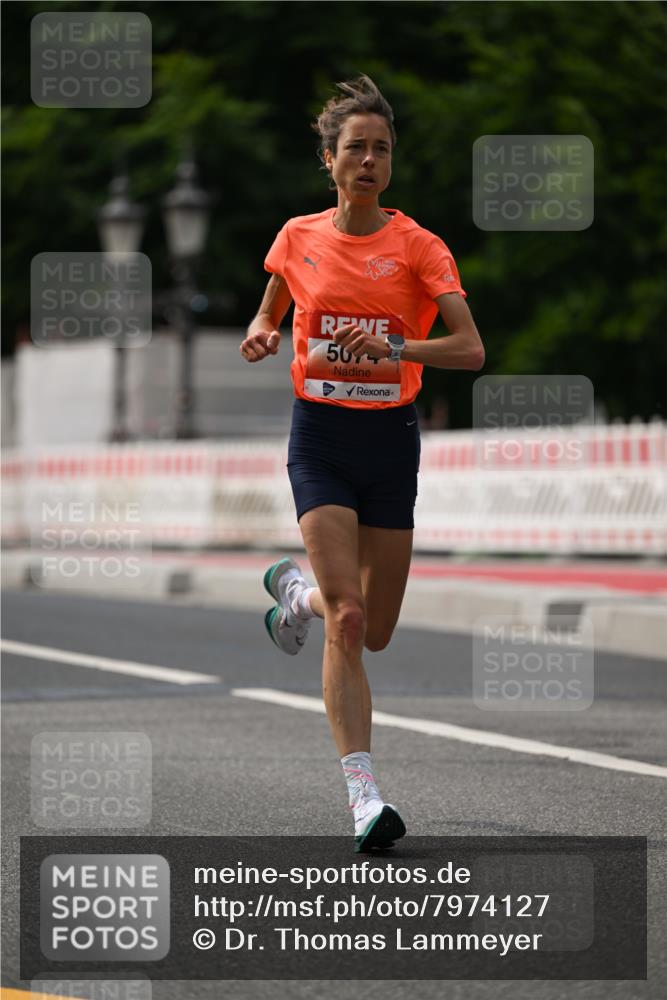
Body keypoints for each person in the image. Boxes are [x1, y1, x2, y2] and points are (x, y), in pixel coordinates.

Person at [240, 75, 484, 852]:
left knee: (374, 628)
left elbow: (470, 350)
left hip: (389, 442)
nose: (369, 160)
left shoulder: (418, 247)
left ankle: (295, 594)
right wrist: (262, 331)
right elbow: (272, 304)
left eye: (381, 149)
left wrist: (395, 346)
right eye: (355, 148)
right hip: (319, 437)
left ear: (390, 162)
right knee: (347, 619)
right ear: (329, 159)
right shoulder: (297, 237)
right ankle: (364, 799)